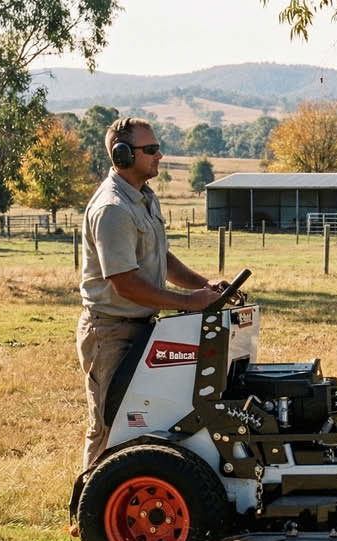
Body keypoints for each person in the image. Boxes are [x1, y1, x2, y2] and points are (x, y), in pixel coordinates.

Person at [76, 117, 224, 470]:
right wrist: (189, 303)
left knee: (140, 420)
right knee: (109, 425)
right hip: (111, 332)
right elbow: (124, 283)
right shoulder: (113, 209)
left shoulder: (144, 198)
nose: (159, 155)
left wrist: (203, 287)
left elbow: (162, 258)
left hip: (141, 326)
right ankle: (92, 499)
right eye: (152, 149)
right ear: (123, 155)